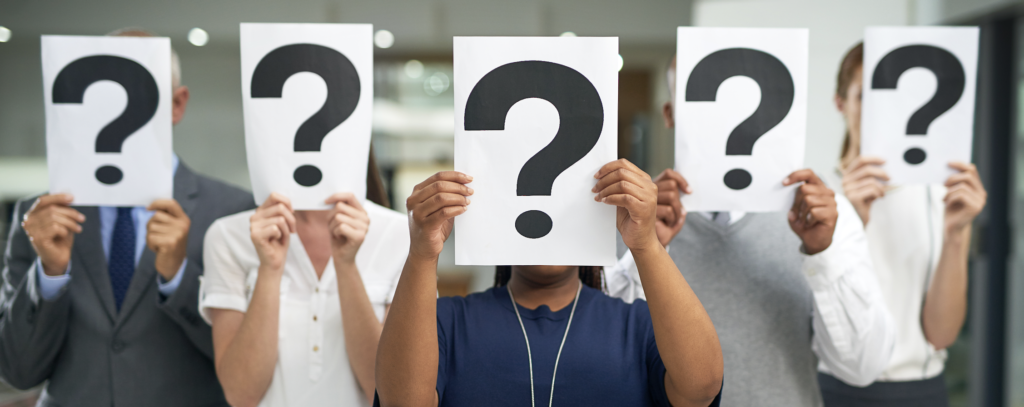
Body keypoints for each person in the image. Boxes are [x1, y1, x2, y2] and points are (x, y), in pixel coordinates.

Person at [601, 56, 896, 407]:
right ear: (670, 114)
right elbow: (606, 353)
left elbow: (863, 367)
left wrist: (823, 253)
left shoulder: (827, 216)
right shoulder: (625, 218)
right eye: (707, 105)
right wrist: (646, 249)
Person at [0, 28, 254, 407]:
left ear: (177, 104)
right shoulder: (38, 219)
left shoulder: (232, 212)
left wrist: (179, 278)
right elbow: (18, 370)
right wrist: (50, 275)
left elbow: (248, 366)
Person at [375, 159, 724, 407]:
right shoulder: (445, 321)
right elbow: (403, 402)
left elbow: (701, 389)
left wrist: (645, 242)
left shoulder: (639, 326)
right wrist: (423, 253)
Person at [813, 43, 987, 407]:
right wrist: (850, 222)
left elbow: (942, 334)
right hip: (829, 387)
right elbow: (799, 319)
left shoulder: (939, 194)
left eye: (889, 100)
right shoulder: (813, 197)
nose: (879, 114)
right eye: (864, 97)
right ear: (840, 104)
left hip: (917, 389)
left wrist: (956, 234)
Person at [199, 152, 408, 407]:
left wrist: (346, 266)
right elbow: (241, 394)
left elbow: (390, 394)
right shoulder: (228, 237)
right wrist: (270, 269)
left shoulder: (401, 235)